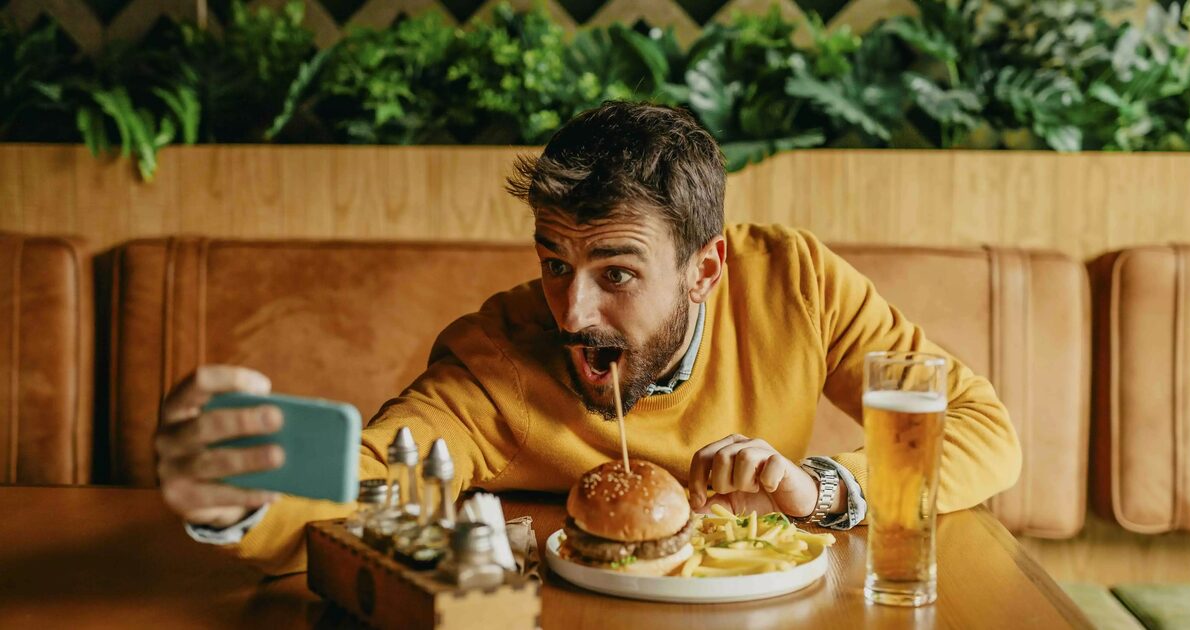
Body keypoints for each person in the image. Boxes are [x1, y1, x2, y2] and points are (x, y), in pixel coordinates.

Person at [154, 101, 1021, 575]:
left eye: (616, 274)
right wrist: (244, 500)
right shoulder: (499, 354)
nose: (572, 312)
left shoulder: (796, 280)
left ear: (705, 269)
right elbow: (375, 484)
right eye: (554, 264)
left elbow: (982, 431)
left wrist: (821, 488)